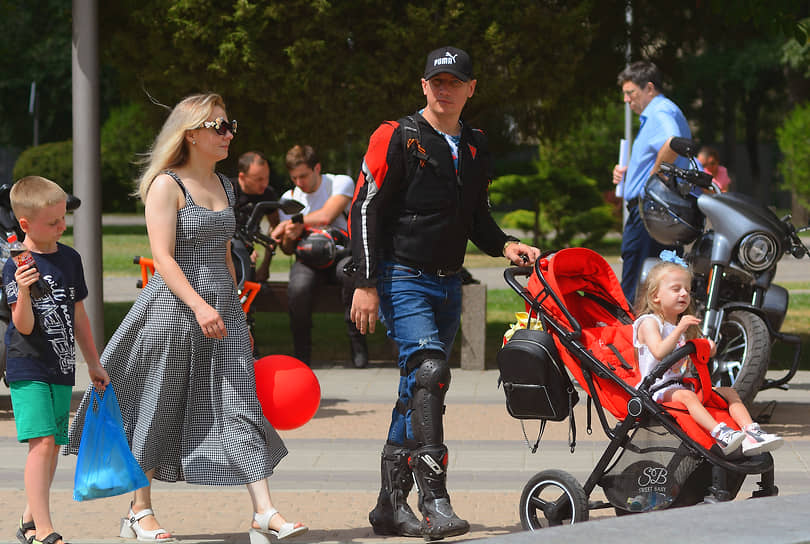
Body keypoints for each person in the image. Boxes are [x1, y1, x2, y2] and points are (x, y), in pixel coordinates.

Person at [65, 93, 307, 542]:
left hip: (223, 309)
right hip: (174, 308)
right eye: (219, 126)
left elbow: (226, 254)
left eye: (230, 125)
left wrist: (235, 310)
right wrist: (200, 306)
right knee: (159, 405)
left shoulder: (226, 185)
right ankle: (140, 511)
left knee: (241, 405)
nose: (229, 133)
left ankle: (264, 512)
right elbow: (163, 258)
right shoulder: (166, 185)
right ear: (191, 133)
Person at [349, 46, 540, 540]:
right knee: (431, 373)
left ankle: (389, 508)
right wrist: (365, 283)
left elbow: (477, 217)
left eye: (455, 81)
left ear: (471, 88)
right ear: (423, 85)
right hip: (400, 275)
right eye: (437, 80)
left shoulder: (474, 144)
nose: (445, 88)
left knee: (415, 388)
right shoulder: (397, 136)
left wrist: (507, 244)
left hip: (448, 282)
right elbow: (365, 209)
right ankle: (435, 500)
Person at [4, 176, 110, 544]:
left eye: (63, 218)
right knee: (43, 442)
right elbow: (23, 324)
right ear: (25, 225)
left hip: (62, 365)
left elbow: (78, 315)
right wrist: (23, 289)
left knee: (52, 447)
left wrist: (93, 362)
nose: (63, 226)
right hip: (27, 364)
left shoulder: (70, 259)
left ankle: (29, 518)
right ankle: (44, 528)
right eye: (53, 222)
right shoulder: (16, 265)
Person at [634, 259, 783, 457]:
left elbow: (702, 349)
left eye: (687, 289)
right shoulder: (649, 323)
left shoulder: (683, 324)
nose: (684, 294)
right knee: (687, 397)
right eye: (676, 289)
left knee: (729, 392)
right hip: (656, 388)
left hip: (681, 385)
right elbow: (659, 352)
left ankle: (751, 433)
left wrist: (708, 347)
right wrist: (680, 330)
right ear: (655, 296)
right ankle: (720, 433)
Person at [271, 144, 368, 368]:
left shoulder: (339, 183)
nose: (299, 183)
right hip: (308, 260)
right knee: (297, 289)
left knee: (350, 276)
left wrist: (291, 222)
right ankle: (302, 355)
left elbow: (326, 215)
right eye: (294, 177)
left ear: (317, 168)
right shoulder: (289, 197)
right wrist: (289, 235)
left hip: (340, 253)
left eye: (303, 175)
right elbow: (286, 249)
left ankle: (358, 345)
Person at [612, 60, 691, 305]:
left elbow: (673, 142)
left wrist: (651, 180)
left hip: (651, 209)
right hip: (656, 207)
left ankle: (629, 336)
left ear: (649, 88)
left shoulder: (659, 111)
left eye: (630, 93)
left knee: (636, 280)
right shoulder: (657, 113)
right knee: (661, 280)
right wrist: (628, 175)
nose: (626, 100)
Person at [233, 151, 280, 283]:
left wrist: (265, 266)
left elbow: (274, 228)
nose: (264, 183)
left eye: (267, 177)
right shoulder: (228, 190)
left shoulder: (268, 194)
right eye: (258, 179)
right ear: (242, 177)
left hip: (249, 249)